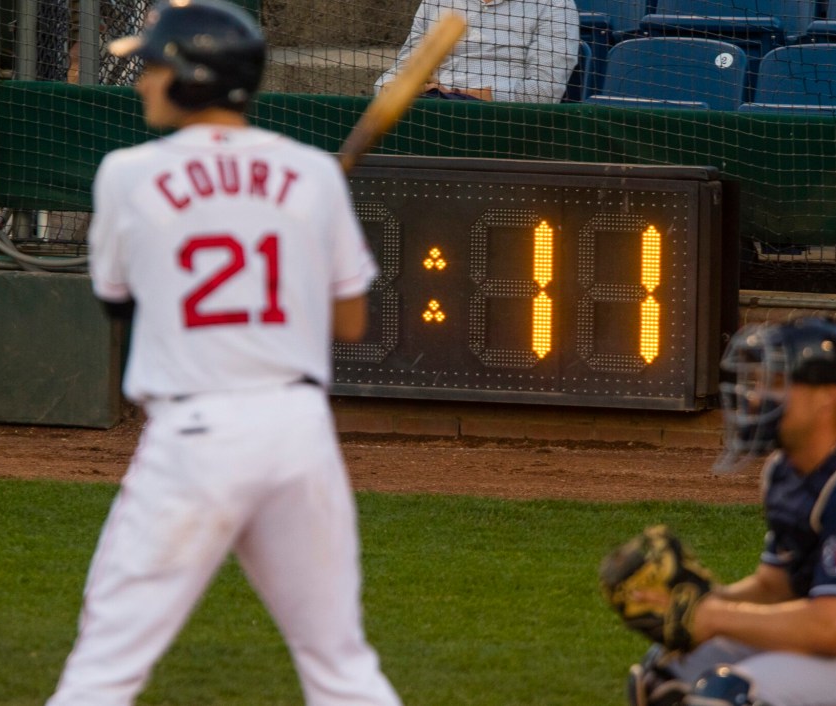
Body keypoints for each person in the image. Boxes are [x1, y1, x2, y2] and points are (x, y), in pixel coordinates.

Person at [45, 2, 402, 705]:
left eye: (153, 65)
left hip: (195, 438)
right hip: (298, 435)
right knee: (340, 667)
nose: (143, 79)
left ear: (190, 77)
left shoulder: (127, 173)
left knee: (104, 667)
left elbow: (119, 302)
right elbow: (352, 321)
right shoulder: (310, 174)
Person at [627, 317, 836, 706]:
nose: (754, 398)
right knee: (666, 669)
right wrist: (696, 602)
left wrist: (711, 617)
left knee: (730, 694)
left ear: (826, 396)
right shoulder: (785, 470)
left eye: (774, 384)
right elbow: (775, 586)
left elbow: (831, 628)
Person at [374, 0, 579, 103]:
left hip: (501, 122)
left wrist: (460, 96)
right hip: (432, 108)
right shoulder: (436, 1)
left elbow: (545, 92)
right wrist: (390, 88)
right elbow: (398, 72)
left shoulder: (554, 5)